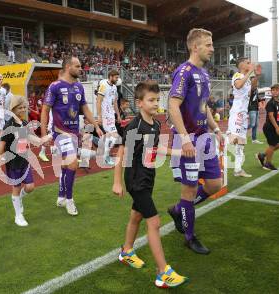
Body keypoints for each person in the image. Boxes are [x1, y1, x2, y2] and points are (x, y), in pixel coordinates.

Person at [113, 81, 188, 289]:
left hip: (148, 177)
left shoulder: (155, 124)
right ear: (140, 103)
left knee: (136, 215)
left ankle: (127, 251)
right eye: (151, 100)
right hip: (135, 180)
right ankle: (162, 272)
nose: (156, 103)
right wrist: (118, 182)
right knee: (153, 222)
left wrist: (180, 152)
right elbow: (122, 155)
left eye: (157, 99)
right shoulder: (134, 127)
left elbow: (155, 149)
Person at [167, 28, 223, 255]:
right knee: (189, 189)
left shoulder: (205, 74)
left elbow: (204, 107)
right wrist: (184, 139)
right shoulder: (184, 72)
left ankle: (179, 210)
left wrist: (216, 128)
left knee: (214, 185)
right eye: (208, 44)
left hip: (205, 138)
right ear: (195, 47)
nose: (212, 48)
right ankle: (190, 238)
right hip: (187, 140)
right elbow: (172, 105)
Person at [41, 56, 103, 216]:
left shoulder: (78, 87)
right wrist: (43, 135)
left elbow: (85, 109)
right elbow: (45, 110)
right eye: (78, 66)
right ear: (68, 67)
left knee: (65, 165)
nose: (81, 68)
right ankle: (70, 200)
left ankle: (61, 196)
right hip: (60, 133)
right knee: (73, 163)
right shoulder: (54, 86)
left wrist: (96, 126)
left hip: (75, 133)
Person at [0, 95, 51, 226]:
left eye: (24, 107)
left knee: (30, 187)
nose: (23, 110)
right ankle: (18, 215)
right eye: (20, 108)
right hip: (13, 163)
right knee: (16, 188)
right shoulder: (8, 126)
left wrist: (44, 141)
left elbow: (33, 139)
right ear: (13, 109)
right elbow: (1, 147)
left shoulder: (25, 124)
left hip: (25, 160)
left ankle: (18, 198)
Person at [227, 57, 255, 177]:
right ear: (241, 65)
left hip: (244, 114)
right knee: (232, 140)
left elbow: (250, 91)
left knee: (241, 143)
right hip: (237, 112)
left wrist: (256, 76)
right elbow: (238, 86)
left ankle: (238, 170)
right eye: (248, 63)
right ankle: (212, 151)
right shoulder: (237, 75)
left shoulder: (247, 79)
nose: (250, 64)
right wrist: (250, 72)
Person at [256, 84, 279, 171]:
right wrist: (276, 127)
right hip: (269, 127)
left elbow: (278, 114)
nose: (275, 91)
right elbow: (271, 116)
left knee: (278, 145)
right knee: (272, 145)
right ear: (271, 91)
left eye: (277, 90)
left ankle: (262, 155)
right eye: (273, 90)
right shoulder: (270, 103)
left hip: (275, 126)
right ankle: (268, 163)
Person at [96, 69, 121, 165]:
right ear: (110, 76)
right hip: (105, 115)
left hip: (111, 114)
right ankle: (106, 156)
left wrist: (118, 115)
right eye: (116, 77)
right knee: (114, 136)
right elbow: (99, 101)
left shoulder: (114, 88)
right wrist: (99, 116)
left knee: (109, 136)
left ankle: (104, 154)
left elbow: (115, 103)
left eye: (118, 77)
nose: (117, 79)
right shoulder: (103, 86)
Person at [248, 78, 263, 144]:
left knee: (255, 125)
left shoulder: (256, 89)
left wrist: (260, 101)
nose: (257, 83)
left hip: (256, 109)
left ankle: (254, 139)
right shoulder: (251, 88)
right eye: (255, 81)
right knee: (252, 124)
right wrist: (256, 77)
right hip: (252, 109)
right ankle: (241, 129)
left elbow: (257, 98)